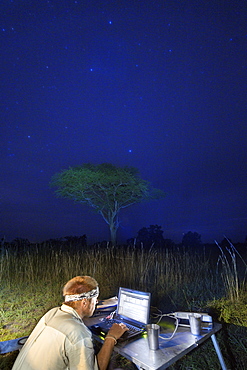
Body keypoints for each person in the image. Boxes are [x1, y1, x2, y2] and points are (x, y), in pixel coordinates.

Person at [12, 276, 128, 370]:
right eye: (94, 299)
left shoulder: (52, 313)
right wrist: (111, 337)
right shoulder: (78, 333)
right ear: (84, 302)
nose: (97, 302)